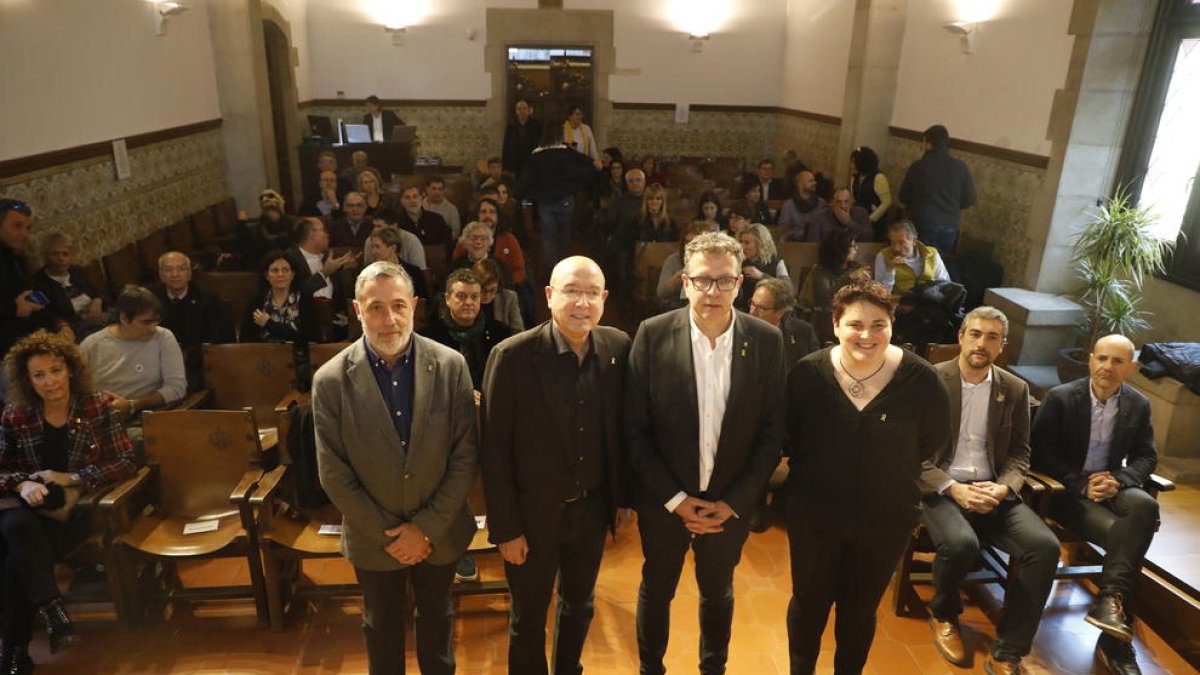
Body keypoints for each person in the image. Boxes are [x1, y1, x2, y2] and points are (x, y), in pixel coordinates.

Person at [625, 232, 787, 675]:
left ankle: (713, 667)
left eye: (724, 281)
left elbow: (772, 434)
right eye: (703, 280)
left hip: (729, 503)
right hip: (664, 500)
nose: (713, 291)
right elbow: (634, 432)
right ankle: (650, 669)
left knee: (718, 591)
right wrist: (677, 501)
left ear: (740, 284)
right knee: (657, 588)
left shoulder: (767, 342)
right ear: (685, 282)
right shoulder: (653, 335)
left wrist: (732, 503)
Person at [314, 261, 478, 675]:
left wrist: (424, 528)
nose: (389, 320)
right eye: (376, 308)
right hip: (375, 537)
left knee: (437, 622)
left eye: (399, 306)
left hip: (438, 531)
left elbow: (464, 456)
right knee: (380, 625)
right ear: (356, 309)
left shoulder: (451, 365)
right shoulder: (330, 380)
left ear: (415, 306)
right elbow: (333, 472)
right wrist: (389, 533)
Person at [785, 280, 950, 674]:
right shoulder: (807, 374)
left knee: (859, 609)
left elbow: (931, 443)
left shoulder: (922, 381)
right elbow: (791, 437)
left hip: (885, 519)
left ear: (892, 325)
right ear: (836, 324)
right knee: (808, 602)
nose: (867, 335)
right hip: (815, 516)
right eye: (855, 324)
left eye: (879, 324)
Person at [481, 255, 631, 675]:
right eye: (571, 291)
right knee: (528, 619)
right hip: (531, 516)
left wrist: (622, 499)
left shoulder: (618, 347)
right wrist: (506, 528)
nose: (581, 303)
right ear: (549, 296)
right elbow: (494, 451)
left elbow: (623, 432)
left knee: (580, 605)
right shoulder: (511, 356)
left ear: (603, 299)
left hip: (591, 508)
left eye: (590, 294)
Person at [920, 307, 1059, 675]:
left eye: (992, 338)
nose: (982, 343)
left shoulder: (1014, 389)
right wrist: (953, 488)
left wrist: (1003, 488)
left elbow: (1019, 453)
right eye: (976, 334)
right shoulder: (930, 380)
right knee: (962, 543)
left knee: (1044, 547)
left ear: (1003, 348)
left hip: (993, 489)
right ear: (961, 336)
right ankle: (944, 613)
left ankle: (1008, 650)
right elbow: (910, 453)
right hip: (940, 488)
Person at [0, 331, 137, 671]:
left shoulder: (94, 405)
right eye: (39, 375)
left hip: (76, 511)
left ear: (70, 370)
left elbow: (124, 462)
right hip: (26, 509)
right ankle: (53, 613)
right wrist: (21, 485)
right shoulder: (16, 414)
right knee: (17, 526)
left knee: (14, 556)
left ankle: (16, 649)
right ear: (27, 379)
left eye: (55, 370)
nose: (50, 382)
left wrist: (73, 476)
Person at [1032, 334, 1160, 675]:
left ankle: (1109, 600)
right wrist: (1081, 484)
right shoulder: (1060, 398)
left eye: (1117, 361)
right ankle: (1115, 640)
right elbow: (1040, 454)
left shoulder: (1138, 404)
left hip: (1113, 484)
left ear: (1130, 368)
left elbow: (1147, 456)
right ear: (1091, 360)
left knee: (1144, 507)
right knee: (1128, 536)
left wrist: (1120, 480)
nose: (1107, 367)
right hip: (1067, 491)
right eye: (1102, 359)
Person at [79, 286, 187, 419]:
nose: (153, 328)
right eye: (146, 322)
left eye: (156, 321)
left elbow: (177, 388)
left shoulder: (163, 337)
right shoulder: (92, 345)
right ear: (124, 318)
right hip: (103, 418)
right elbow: (78, 390)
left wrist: (132, 405)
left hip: (148, 417)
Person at [516, 124, 598, 268]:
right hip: (565, 199)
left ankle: (549, 270)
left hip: (545, 201)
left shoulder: (536, 156)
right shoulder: (570, 155)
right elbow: (589, 168)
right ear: (560, 136)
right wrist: (575, 188)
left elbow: (527, 178)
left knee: (547, 237)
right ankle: (563, 267)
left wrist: (519, 196)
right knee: (564, 236)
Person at [151, 251, 232, 391]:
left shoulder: (208, 299)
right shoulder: (150, 300)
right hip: (158, 362)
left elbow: (218, 336)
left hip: (197, 362)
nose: (175, 274)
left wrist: (191, 354)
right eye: (168, 270)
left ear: (189, 274)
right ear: (161, 275)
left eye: (181, 269)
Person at [419, 269, 512, 390]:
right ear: (447, 299)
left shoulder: (500, 332)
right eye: (461, 296)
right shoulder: (429, 338)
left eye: (474, 296)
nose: (469, 302)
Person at [899, 124, 977, 256]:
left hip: (923, 223)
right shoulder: (960, 167)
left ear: (928, 144)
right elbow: (970, 199)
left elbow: (903, 196)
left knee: (921, 264)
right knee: (939, 266)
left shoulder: (919, 166)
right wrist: (951, 207)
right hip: (949, 226)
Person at [1, 200, 53, 375]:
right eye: (17, 226)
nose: (24, 234)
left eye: (27, 228)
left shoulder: (13, 257)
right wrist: (15, 308)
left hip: (24, 340)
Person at [33, 232, 108, 339]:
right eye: (55, 254)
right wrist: (64, 324)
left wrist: (97, 301)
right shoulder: (39, 281)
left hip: (98, 316)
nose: (61, 258)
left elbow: (98, 291)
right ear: (46, 256)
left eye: (65, 254)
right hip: (75, 327)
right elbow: (43, 314)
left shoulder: (77, 271)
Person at [802, 229, 867, 345]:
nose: (856, 249)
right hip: (826, 317)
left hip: (853, 314)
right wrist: (849, 278)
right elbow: (828, 296)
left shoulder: (857, 269)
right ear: (841, 249)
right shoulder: (820, 271)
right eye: (852, 246)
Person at [241, 250, 319, 346]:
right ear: (267, 275)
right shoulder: (256, 302)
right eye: (275, 270)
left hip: (297, 356)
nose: (280, 274)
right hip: (264, 357)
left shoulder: (304, 300)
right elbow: (245, 339)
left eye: (285, 270)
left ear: (292, 275)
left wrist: (269, 324)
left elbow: (310, 339)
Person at [747, 277, 819, 371]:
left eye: (761, 308)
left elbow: (816, 369)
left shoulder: (804, 332)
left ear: (780, 312)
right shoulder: (741, 332)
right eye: (752, 304)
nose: (752, 312)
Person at [874, 219, 951, 295]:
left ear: (914, 241)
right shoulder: (883, 256)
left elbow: (945, 283)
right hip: (899, 302)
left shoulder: (932, 254)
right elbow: (880, 293)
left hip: (929, 301)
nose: (896, 248)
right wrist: (890, 270)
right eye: (893, 243)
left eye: (901, 242)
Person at [655, 221, 714, 312]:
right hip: (677, 308)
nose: (690, 246)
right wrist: (678, 275)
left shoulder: (717, 261)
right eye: (687, 242)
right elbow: (661, 293)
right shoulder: (673, 260)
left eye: (695, 243)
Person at [367, 227, 431, 305]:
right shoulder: (368, 273)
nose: (373, 252)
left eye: (377, 247)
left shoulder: (414, 272)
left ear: (393, 248)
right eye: (372, 247)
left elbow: (423, 302)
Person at [736, 224, 789, 311]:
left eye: (747, 243)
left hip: (769, 310)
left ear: (760, 244)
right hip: (745, 309)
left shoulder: (776, 263)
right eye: (741, 242)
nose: (742, 246)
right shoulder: (739, 262)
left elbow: (787, 289)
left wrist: (761, 276)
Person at [849, 146, 892, 241]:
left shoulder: (879, 178)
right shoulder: (855, 177)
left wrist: (870, 219)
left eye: (854, 162)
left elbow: (887, 202)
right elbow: (854, 198)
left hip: (874, 221)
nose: (852, 165)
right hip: (859, 217)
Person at [396, 183, 453, 250]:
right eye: (407, 198)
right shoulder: (397, 222)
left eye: (415, 196)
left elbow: (447, 245)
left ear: (421, 198)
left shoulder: (437, 219)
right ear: (401, 201)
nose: (412, 201)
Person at [473, 259, 523, 333]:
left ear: (498, 284)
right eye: (483, 290)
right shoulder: (468, 300)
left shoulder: (509, 298)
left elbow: (518, 332)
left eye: (492, 290)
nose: (487, 295)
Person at [807, 186, 874, 243]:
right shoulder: (819, 217)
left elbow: (868, 239)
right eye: (839, 202)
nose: (843, 206)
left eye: (846, 201)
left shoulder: (861, 213)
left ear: (851, 202)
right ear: (832, 203)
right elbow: (811, 245)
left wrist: (849, 223)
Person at [778, 170, 826, 242]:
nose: (815, 183)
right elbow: (783, 229)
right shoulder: (788, 205)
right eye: (811, 181)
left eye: (814, 180)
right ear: (800, 184)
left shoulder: (821, 203)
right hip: (794, 245)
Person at [502, 98, 543, 179]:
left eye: (524, 108)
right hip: (515, 166)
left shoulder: (537, 126)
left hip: (532, 164)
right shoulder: (511, 126)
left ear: (529, 110)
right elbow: (506, 147)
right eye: (519, 109)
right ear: (516, 111)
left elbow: (540, 144)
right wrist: (506, 168)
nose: (522, 111)